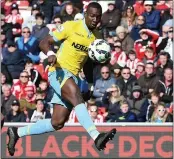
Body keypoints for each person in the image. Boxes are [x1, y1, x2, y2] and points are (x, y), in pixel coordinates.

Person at [7, 3, 116, 156]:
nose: (95, 19)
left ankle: (16, 132)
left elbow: (89, 62)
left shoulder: (97, 37)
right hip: (58, 71)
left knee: (57, 122)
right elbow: (44, 42)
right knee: (76, 96)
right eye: (92, 15)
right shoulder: (71, 26)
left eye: (98, 16)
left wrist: (90, 85)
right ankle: (96, 136)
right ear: (85, 13)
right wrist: (51, 53)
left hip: (74, 77)